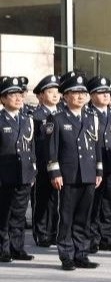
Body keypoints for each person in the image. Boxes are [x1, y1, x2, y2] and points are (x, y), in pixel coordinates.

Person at [47, 74, 103, 271]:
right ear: (66, 96)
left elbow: (96, 146)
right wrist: (55, 173)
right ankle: (66, 255)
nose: (80, 96)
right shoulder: (57, 119)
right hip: (68, 176)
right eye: (75, 93)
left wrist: (98, 170)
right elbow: (52, 150)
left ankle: (81, 253)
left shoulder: (91, 118)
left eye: (83, 93)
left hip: (88, 174)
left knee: (83, 216)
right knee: (67, 217)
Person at [85, 76, 111, 254]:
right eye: (101, 92)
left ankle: (107, 235)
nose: (106, 95)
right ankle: (93, 237)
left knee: (110, 202)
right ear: (92, 95)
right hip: (96, 163)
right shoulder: (88, 114)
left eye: (107, 92)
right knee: (94, 202)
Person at [0, 76, 37, 263]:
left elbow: (31, 147)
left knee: (19, 213)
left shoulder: (26, 120)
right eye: (12, 94)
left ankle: (17, 247)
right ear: (3, 99)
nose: (17, 98)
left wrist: (33, 170)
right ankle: (3, 249)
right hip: (4, 175)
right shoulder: (1, 120)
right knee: (3, 213)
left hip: (24, 172)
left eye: (19, 94)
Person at [31, 75, 61, 247]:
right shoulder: (35, 116)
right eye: (50, 92)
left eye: (57, 91)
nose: (55, 95)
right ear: (41, 95)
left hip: (57, 166)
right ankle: (41, 233)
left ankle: (53, 232)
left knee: (55, 200)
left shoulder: (62, 115)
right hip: (41, 165)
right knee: (41, 200)